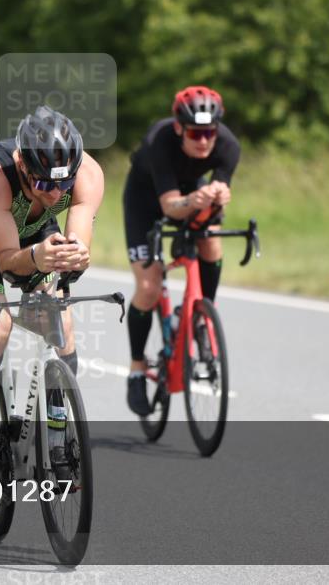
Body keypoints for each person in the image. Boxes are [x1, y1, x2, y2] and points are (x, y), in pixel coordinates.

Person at [0, 105, 104, 470]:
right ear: (22, 166)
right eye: (45, 184)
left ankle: (58, 430)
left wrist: (74, 256)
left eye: (62, 184)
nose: (54, 194)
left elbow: (78, 235)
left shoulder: (88, 175)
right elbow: (7, 259)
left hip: (34, 234)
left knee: (60, 327)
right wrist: (36, 259)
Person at [122, 86, 241, 416]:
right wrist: (193, 203)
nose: (203, 141)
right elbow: (171, 206)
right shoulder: (160, 140)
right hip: (146, 201)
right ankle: (135, 369)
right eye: (195, 133)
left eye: (209, 132)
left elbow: (212, 199)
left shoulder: (229, 146)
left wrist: (217, 196)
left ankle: (203, 315)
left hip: (189, 192)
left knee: (211, 238)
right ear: (179, 128)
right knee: (148, 286)